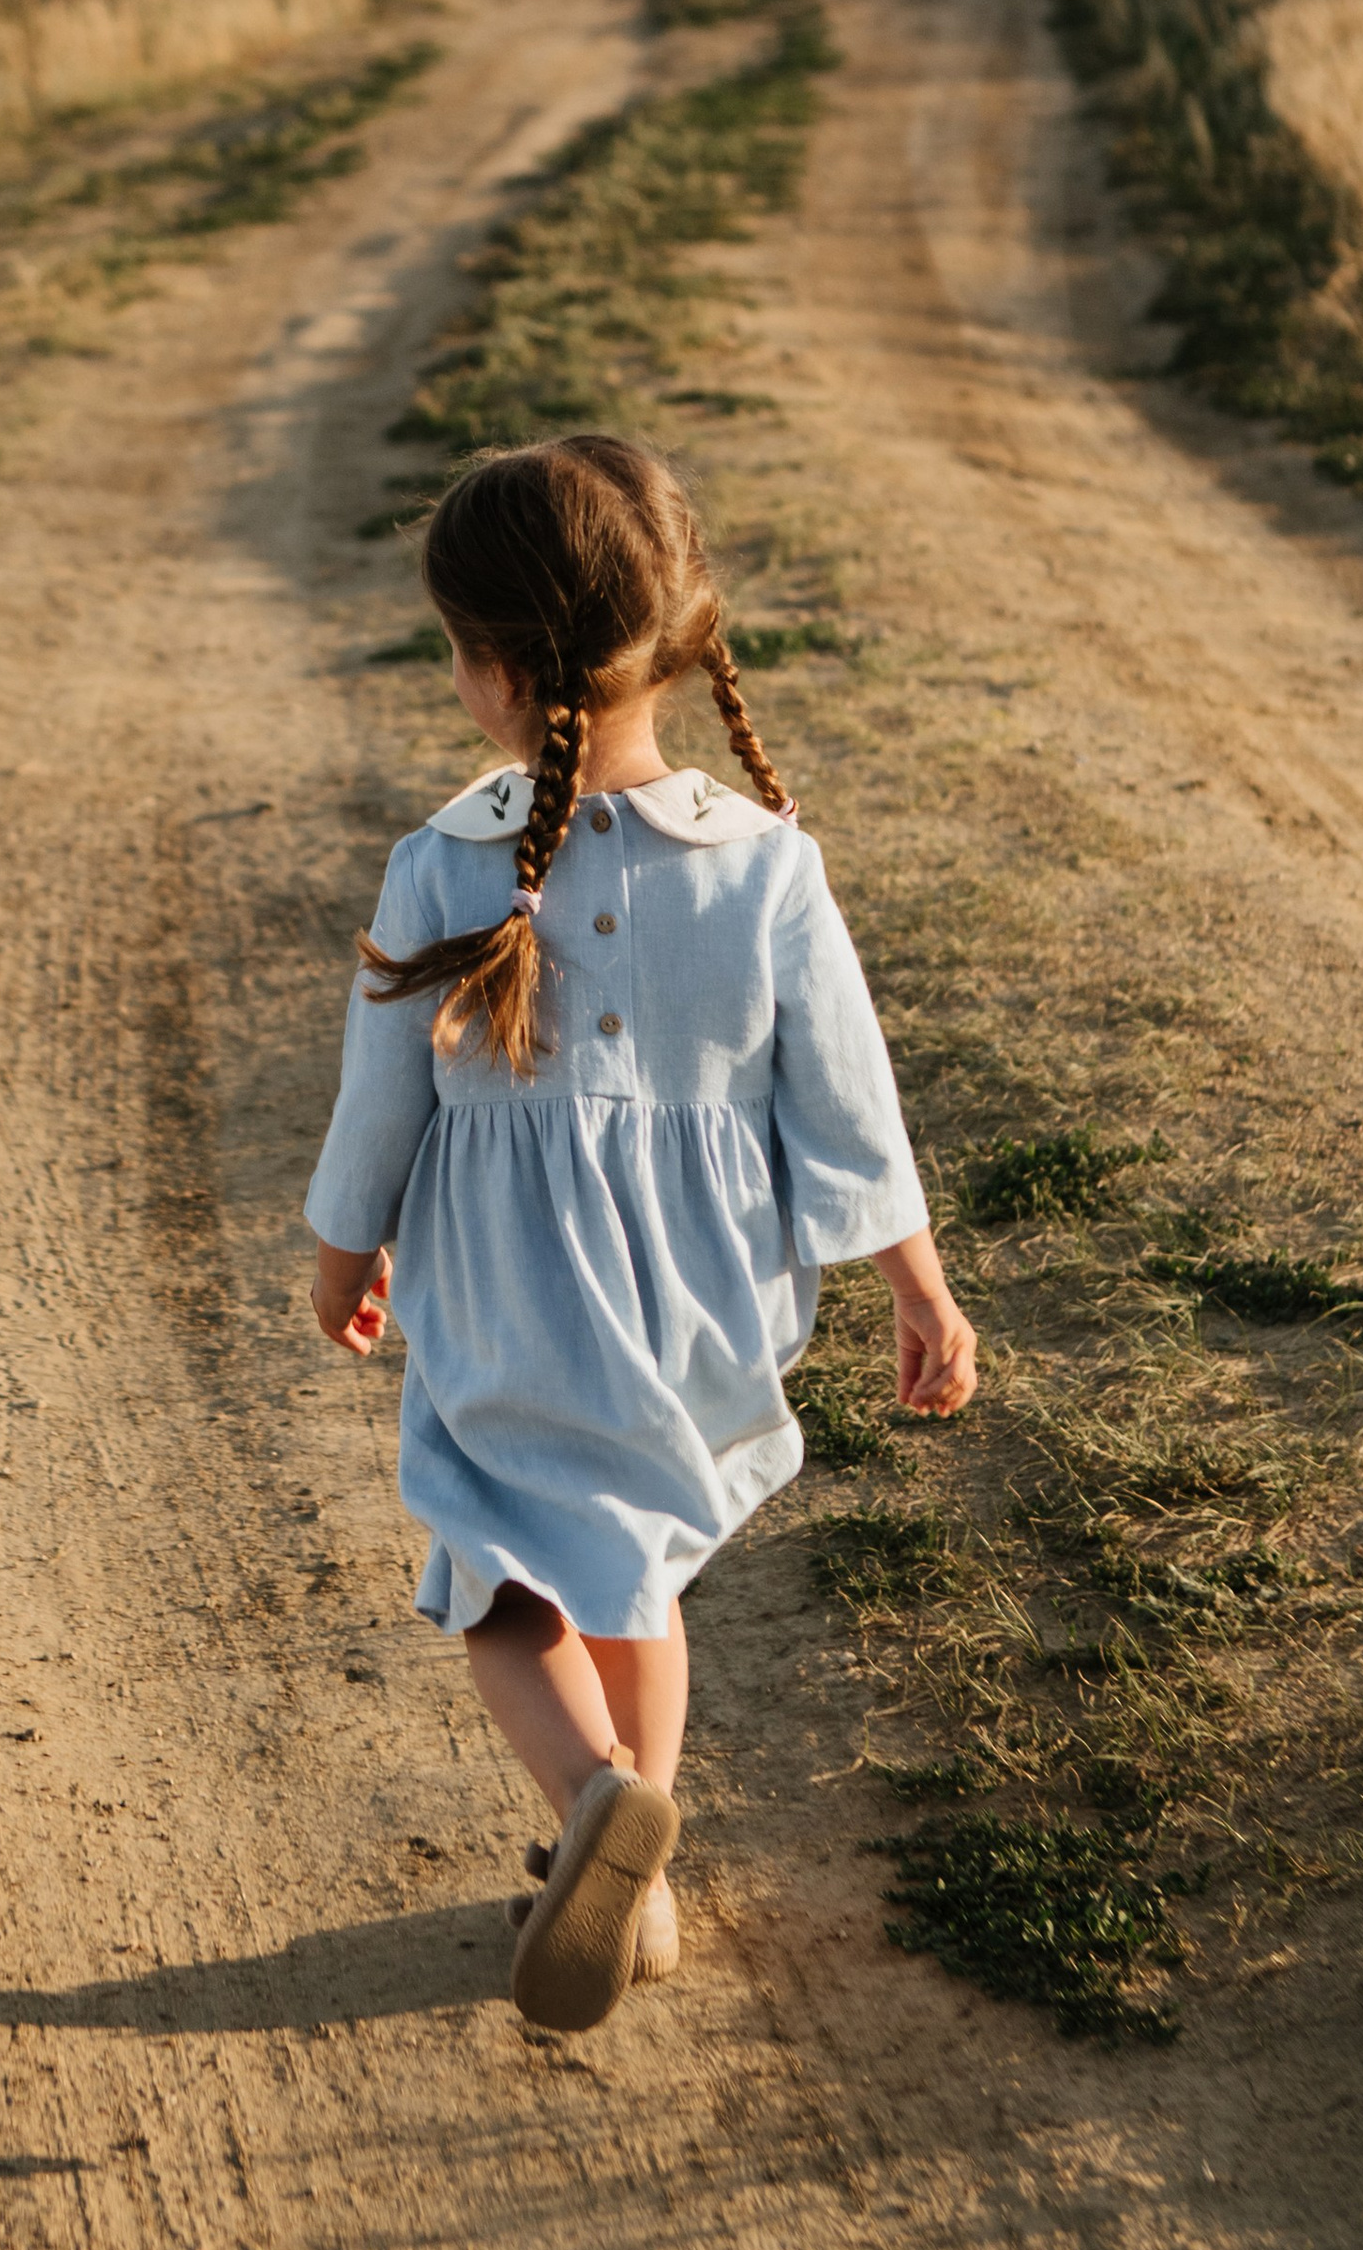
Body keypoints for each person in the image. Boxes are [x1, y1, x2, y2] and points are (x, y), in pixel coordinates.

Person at [305, 434, 975, 2032]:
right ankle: (644, 1882)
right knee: (637, 1577)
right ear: (675, 636)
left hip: (511, 1311)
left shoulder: (440, 864)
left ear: (494, 668)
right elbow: (851, 1102)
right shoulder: (768, 866)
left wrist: (346, 1258)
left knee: (501, 1589)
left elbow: (374, 1115)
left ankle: (595, 1805)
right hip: (698, 1302)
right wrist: (918, 1289)